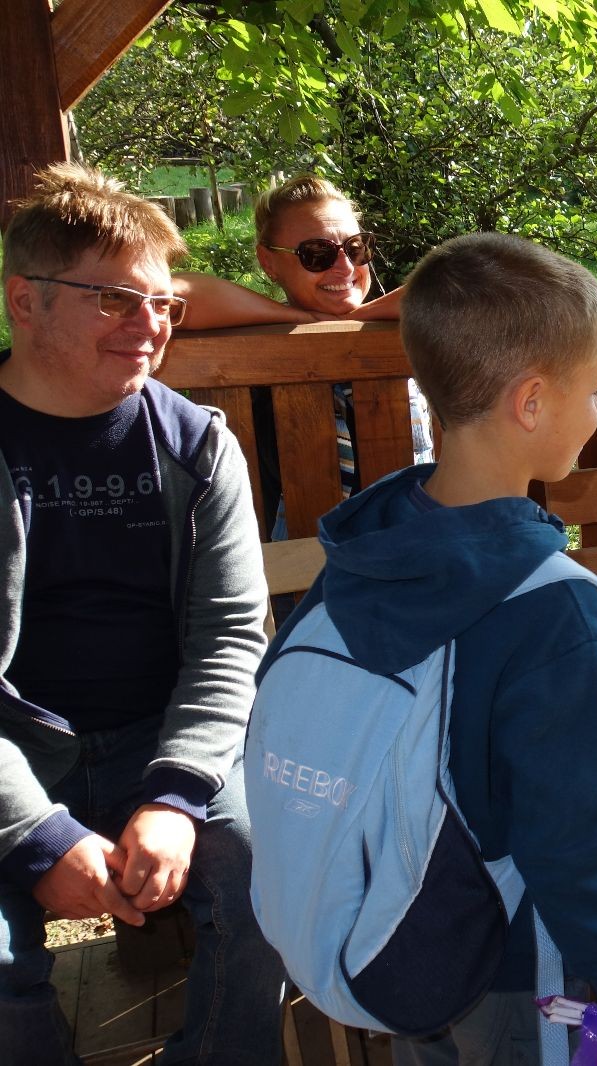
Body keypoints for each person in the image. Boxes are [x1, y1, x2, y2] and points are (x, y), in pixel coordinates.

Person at [257, 232, 597, 1064]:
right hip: (511, 960)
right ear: (532, 403)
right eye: (596, 388)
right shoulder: (554, 602)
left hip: (400, 935)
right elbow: (566, 837)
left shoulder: (371, 543)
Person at [0, 163, 284, 1063]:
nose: (149, 326)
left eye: (163, 304)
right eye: (116, 301)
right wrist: (33, 832)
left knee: (264, 872)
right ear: (25, 301)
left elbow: (230, 636)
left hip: (158, 735)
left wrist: (176, 794)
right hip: (13, 749)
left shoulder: (196, 446)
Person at [174, 175, 431, 529]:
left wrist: (359, 317)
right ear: (269, 262)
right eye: (317, 254)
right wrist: (299, 319)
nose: (344, 267)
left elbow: (475, 278)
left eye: (355, 248)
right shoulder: (262, 352)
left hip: (417, 541)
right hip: (305, 556)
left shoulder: (409, 325)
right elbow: (168, 294)